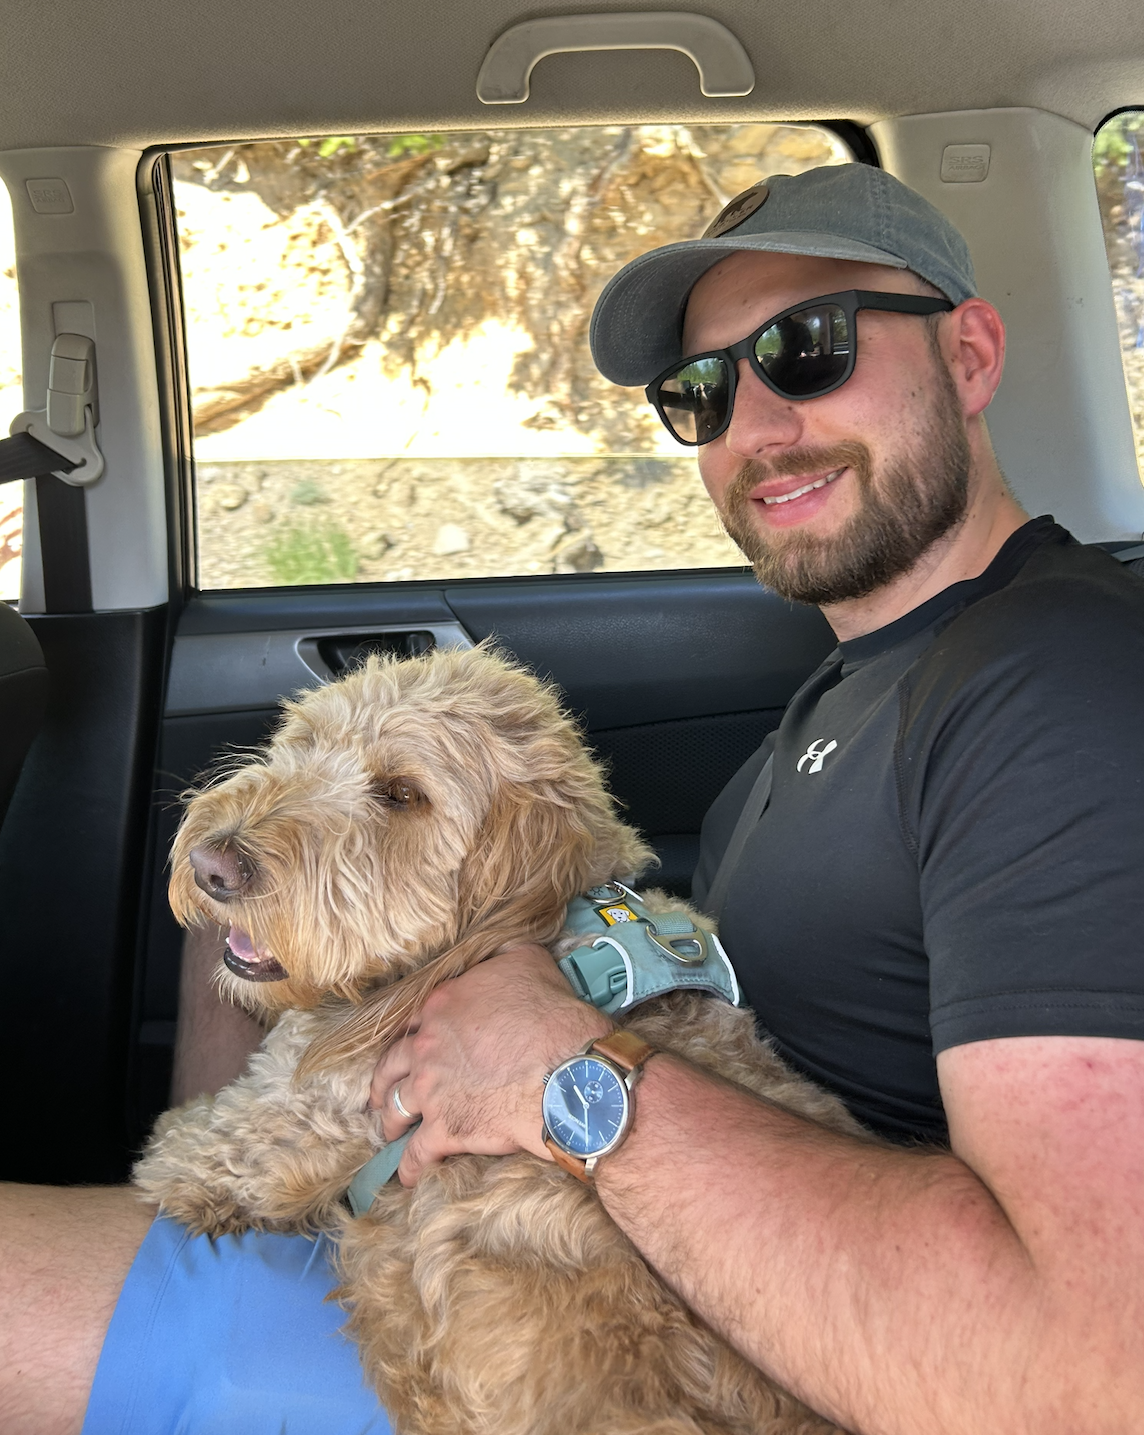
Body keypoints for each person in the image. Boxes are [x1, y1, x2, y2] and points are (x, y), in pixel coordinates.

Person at [4, 162, 1144, 1435]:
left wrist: (565, 1075)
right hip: (537, 1258)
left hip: (625, 1362)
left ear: (971, 354)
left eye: (809, 348)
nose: (755, 427)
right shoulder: (859, 692)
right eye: (701, 392)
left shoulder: (1061, 685)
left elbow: (1079, 1371)